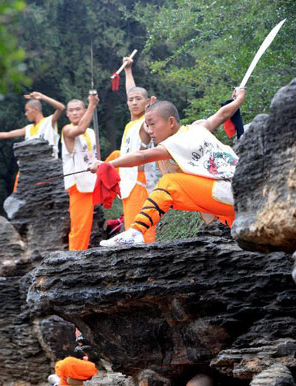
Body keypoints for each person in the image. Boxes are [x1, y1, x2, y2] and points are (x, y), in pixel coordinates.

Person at [89, 88, 246, 247]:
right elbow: (223, 114)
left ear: (171, 122)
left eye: (152, 124)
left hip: (230, 192)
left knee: (170, 183)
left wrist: (108, 164)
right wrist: (239, 98)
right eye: (147, 126)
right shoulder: (198, 127)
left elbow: (141, 156)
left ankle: (137, 231)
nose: (150, 131)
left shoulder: (175, 142)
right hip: (243, 193)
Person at [111, 57, 159, 243]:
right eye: (130, 100)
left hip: (141, 183)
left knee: (143, 233)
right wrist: (128, 70)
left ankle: (150, 269)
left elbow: (146, 133)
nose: (133, 102)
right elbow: (131, 91)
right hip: (128, 184)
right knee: (133, 230)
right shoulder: (130, 124)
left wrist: (150, 111)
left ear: (147, 102)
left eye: (138, 99)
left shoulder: (146, 122)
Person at [62, 94, 99, 250]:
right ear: (67, 114)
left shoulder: (90, 132)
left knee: (117, 156)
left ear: (83, 111)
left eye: (78, 109)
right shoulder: (67, 129)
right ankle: (74, 258)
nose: (75, 113)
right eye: (71, 110)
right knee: (80, 226)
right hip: (78, 184)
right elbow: (80, 128)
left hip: (92, 180)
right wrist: (92, 105)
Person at [0, 91, 65, 159]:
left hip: (49, 168)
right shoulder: (28, 129)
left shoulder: (49, 121)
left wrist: (42, 97)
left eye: (27, 110)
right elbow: (7, 134)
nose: (26, 114)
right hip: (33, 170)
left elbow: (61, 108)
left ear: (36, 109)